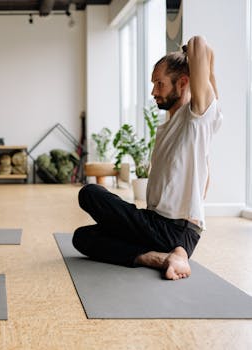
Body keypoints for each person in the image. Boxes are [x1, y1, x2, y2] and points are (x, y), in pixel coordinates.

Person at [72, 35, 222, 280]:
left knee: (89, 194)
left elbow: (199, 45)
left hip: (176, 229)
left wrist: (190, 52)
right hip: (155, 223)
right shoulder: (172, 123)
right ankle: (156, 257)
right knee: (82, 237)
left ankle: (174, 252)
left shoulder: (196, 118)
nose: (153, 91)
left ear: (183, 83)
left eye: (159, 84)